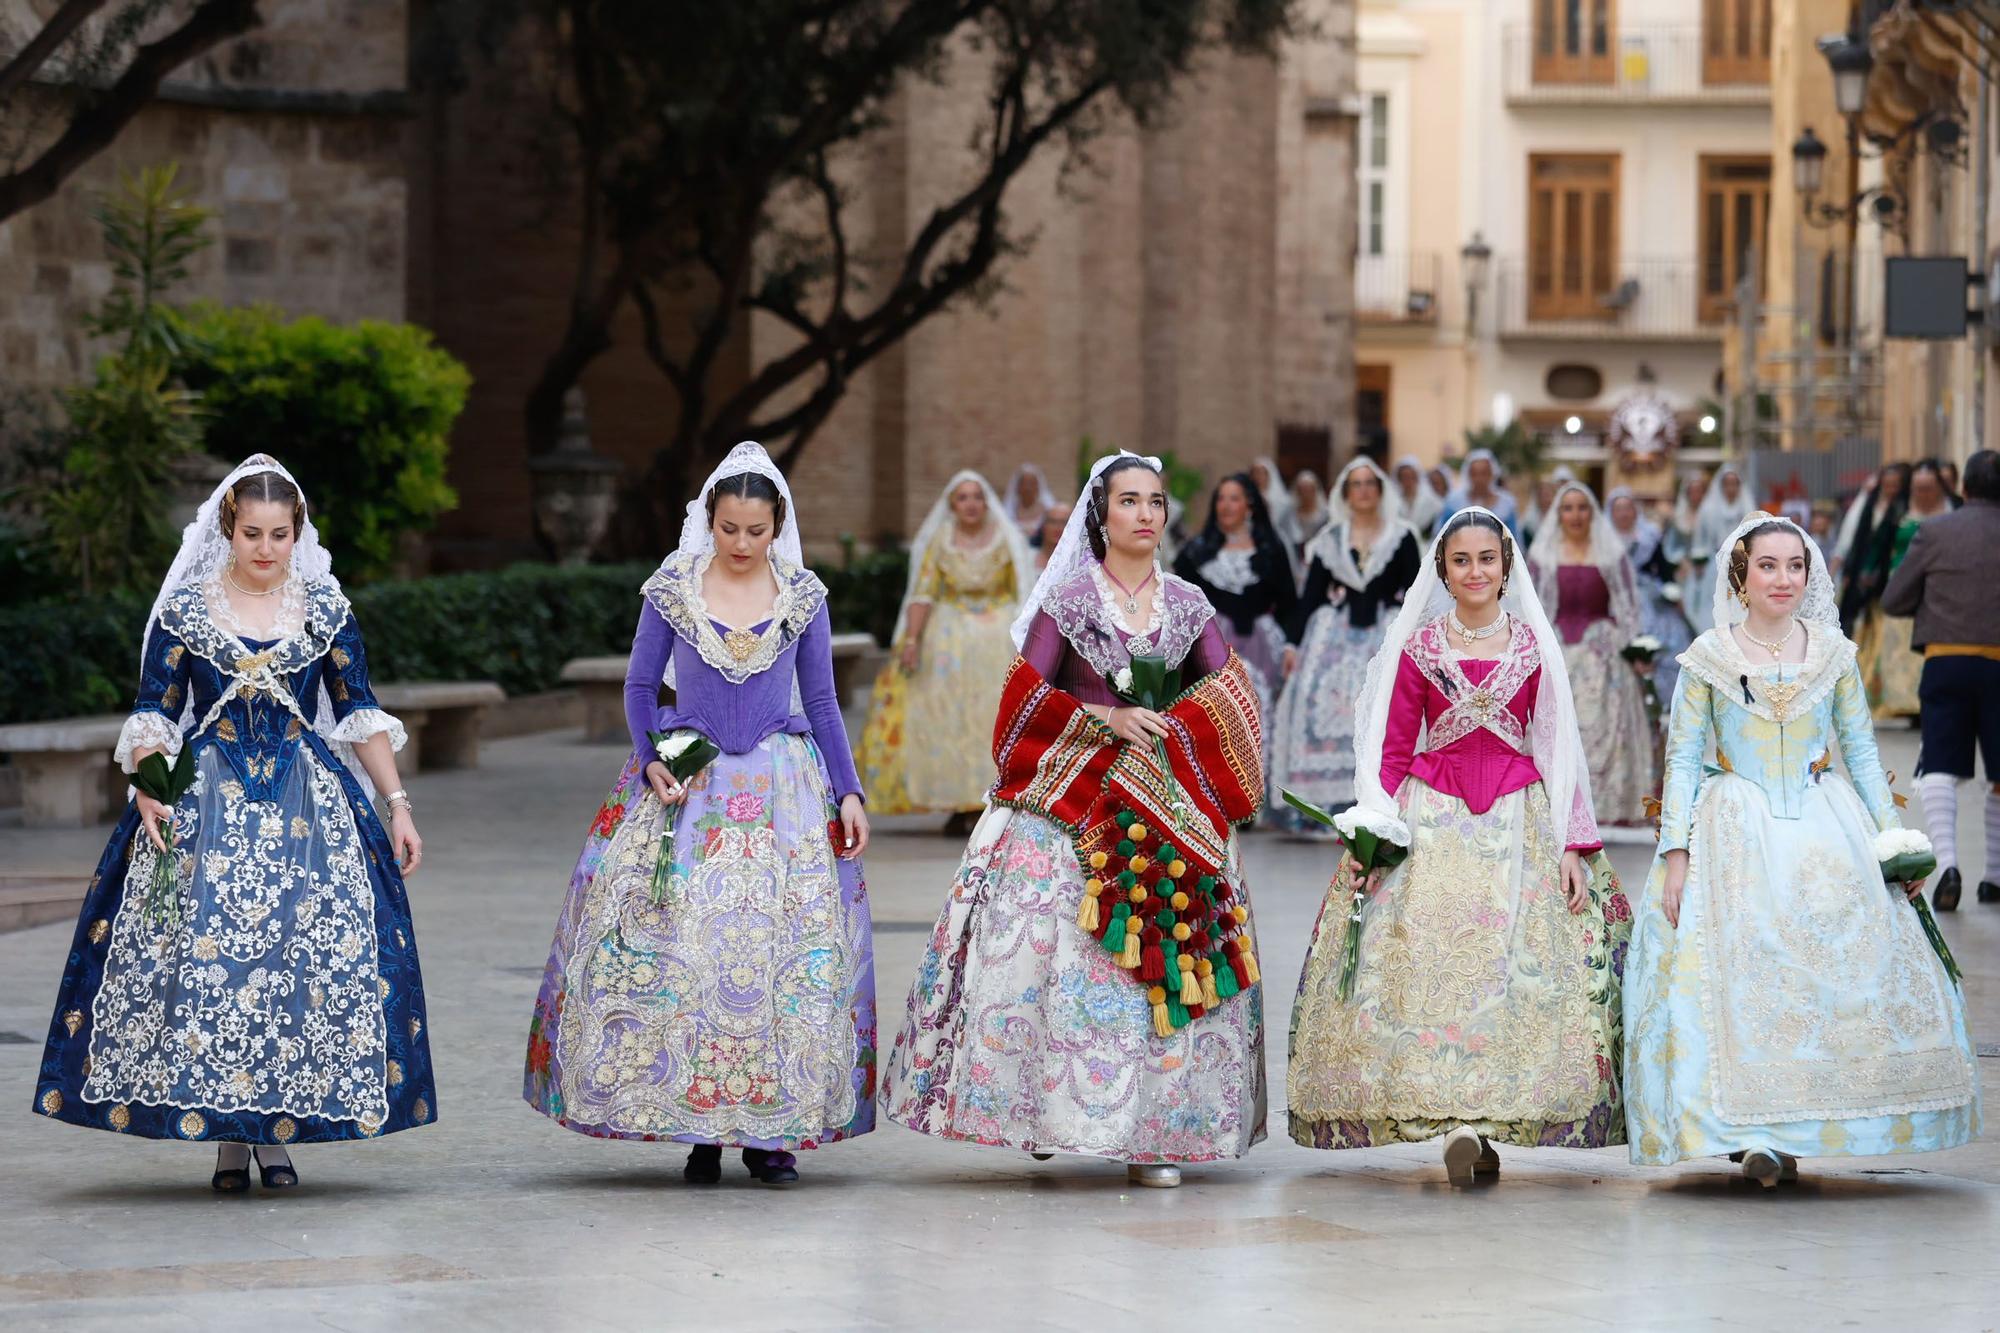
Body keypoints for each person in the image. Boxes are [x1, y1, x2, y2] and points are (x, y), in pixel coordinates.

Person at [31, 455, 433, 1191]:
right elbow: (154, 710)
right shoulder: (188, 609)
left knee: (294, 962)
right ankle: (225, 1138)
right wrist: (149, 786)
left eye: (281, 534)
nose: (266, 548)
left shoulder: (326, 609)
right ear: (229, 527)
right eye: (253, 532)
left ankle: (278, 1137)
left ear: (296, 533)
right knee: (214, 962)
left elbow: (359, 711)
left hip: (306, 801)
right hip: (204, 797)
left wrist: (396, 803)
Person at [880, 452, 1269, 1189]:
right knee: (1054, 959)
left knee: (1165, 948)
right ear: (1102, 514)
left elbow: (1230, 693)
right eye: (1130, 501)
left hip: (1168, 806)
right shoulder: (1066, 601)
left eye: (1155, 501)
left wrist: (1175, 726)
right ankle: (1046, 1114)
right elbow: (1020, 703)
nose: (1146, 514)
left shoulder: (1188, 604)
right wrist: (1104, 717)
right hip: (1071, 805)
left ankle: (1156, 1133)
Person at [523, 441, 873, 1186]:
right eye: (729, 528)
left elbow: (820, 701)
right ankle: (701, 1129)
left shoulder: (803, 595)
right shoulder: (672, 590)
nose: (742, 544)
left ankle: (773, 1133)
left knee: (781, 956)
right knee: (692, 945)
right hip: (691, 780)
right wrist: (650, 755)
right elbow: (641, 685)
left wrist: (848, 790)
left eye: (756, 530)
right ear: (708, 521)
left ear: (778, 526)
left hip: (783, 788)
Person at [1623, 513, 1979, 1185]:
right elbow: (1682, 758)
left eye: (1795, 566)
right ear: (1741, 576)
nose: (1782, 578)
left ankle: (1793, 1128)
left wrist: (1894, 843)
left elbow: (1865, 756)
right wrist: (1676, 852)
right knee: (1740, 974)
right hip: (1733, 826)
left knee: (1830, 976)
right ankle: (1749, 1133)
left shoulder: (1834, 655)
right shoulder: (1708, 657)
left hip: (1823, 824)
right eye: (1768, 565)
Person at [1288, 508, 1629, 1184]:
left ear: (1506, 567)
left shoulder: (1533, 648)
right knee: (1431, 960)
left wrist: (1572, 842)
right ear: (1442, 570)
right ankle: (1450, 1118)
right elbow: (1391, 751)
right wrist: (1374, 829)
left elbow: (1560, 747)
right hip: (1431, 820)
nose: (1475, 571)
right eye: (1461, 560)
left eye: (1487, 559)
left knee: (1511, 965)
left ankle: (1489, 1119)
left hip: (1519, 822)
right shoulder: (1420, 650)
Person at [857, 471, 1035, 828]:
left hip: (995, 642)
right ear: (952, 505)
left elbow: (1024, 595)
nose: (970, 504)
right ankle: (956, 803)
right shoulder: (941, 540)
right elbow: (923, 592)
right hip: (946, 643)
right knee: (946, 720)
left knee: (990, 718)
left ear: (987, 504)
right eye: (962, 498)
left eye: (977, 497)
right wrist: (911, 640)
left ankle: (986, 800)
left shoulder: (1006, 540)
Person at [1269, 458, 1420, 827]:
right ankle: (1329, 802)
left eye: (1370, 483)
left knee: (1382, 709)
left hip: (1384, 632)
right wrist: (1292, 645)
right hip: (1335, 633)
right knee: (1320, 698)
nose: (1364, 490)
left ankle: (1377, 797)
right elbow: (1309, 600)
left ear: (1380, 491)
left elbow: (1419, 593)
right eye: (1356, 484)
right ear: (1346, 493)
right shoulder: (1329, 541)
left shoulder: (1401, 536)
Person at [1883, 449, 2000, 911]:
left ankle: (1948, 864)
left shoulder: (1935, 532)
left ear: (1963, 489)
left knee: (1939, 767)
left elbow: (1894, 598)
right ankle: (1994, 876)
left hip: (1946, 660)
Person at [1530, 482, 1659, 831]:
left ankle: (1604, 801)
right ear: (1558, 514)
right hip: (1557, 647)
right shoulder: (1543, 556)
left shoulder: (1609, 553)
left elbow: (1628, 606)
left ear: (1593, 513)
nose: (1575, 515)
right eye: (1568, 508)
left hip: (1602, 648)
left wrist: (1632, 647)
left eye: (1582, 507)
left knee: (1605, 713)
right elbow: (1532, 606)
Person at [1173, 473, 1297, 719]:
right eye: (1221, 499)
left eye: (1234, 498)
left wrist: (1291, 645)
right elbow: (1179, 605)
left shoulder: (1270, 549)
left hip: (1262, 645)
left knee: (1259, 715)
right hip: (1212, 643)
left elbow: (1289, 603)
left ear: (1249, 506)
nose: (1226, 505)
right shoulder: (1196, 552)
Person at [1859, 460, 1953, 720]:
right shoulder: (1900, 509)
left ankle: (1926, 704)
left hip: (1937, 590)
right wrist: (1869, 570)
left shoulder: (1952, 509)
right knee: (1901, 651)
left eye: (1928, 488)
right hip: (1901, 587)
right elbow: (1879, 543)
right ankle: (1907, 704)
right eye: (1918, 488)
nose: (1922, 494)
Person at [1610, 485, 1688, 699]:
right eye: (1619, 509)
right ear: (1611, 512)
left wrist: (1674, 593)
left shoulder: (1649, 535)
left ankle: (1659, 695)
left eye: (1628, 508)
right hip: (1615, 595)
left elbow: (1662, 568)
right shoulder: (1604, 539)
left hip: (1648, 594)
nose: (1624, 513)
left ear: (1636, 510)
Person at [1837, 462, 1909, 633]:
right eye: (1887, 485)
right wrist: (1848, 569)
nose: (1890, 489)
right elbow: (1858, 536)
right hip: (1861, 566)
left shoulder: (1901, 508)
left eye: (1894, 485)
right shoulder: (1871, 502)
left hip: (1883, 571)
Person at [1684, 465, 1750, 635]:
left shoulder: (1747, 509)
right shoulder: (1708, 509)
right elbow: (1700, 540)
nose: (1731, 488)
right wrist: (1699, 561)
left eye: (1734, 484)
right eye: (1727, 484)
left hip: (1743, 565)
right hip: (1714, 566)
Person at [1440, 448, 1520, 540]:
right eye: (1474, 474)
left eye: (1484, 473)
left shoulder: (1506, 503)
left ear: (1492, 473)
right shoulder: (1454, 502)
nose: (1479, 479)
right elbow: (1441, 535)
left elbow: (1515, 539)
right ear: (1468, 475)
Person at [1276, 469, 1331, 577]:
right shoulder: (1289, 515)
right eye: (1302, 490)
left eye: (1309, 489)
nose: (1306, 494)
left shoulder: (1325, 516)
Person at [1394, 455, 1443, 537]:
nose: (1407, 481)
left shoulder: (1431, 501)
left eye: (1410, 477)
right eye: (1404, 477)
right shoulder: (1394, 500)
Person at [1003, 463, 1051, 545]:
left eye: (1031, 484)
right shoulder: (1009, 511)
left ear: (1038, 487)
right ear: (1017, 487)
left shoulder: (1048, 511)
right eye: (1024, 483)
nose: (1027, 488)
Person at [1034, 502, 1072, 571]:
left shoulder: (1077, 563)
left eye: (1064, 522)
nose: (1058, 527)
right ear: (1043, 526)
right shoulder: (1026, 557)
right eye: (1053, 522)